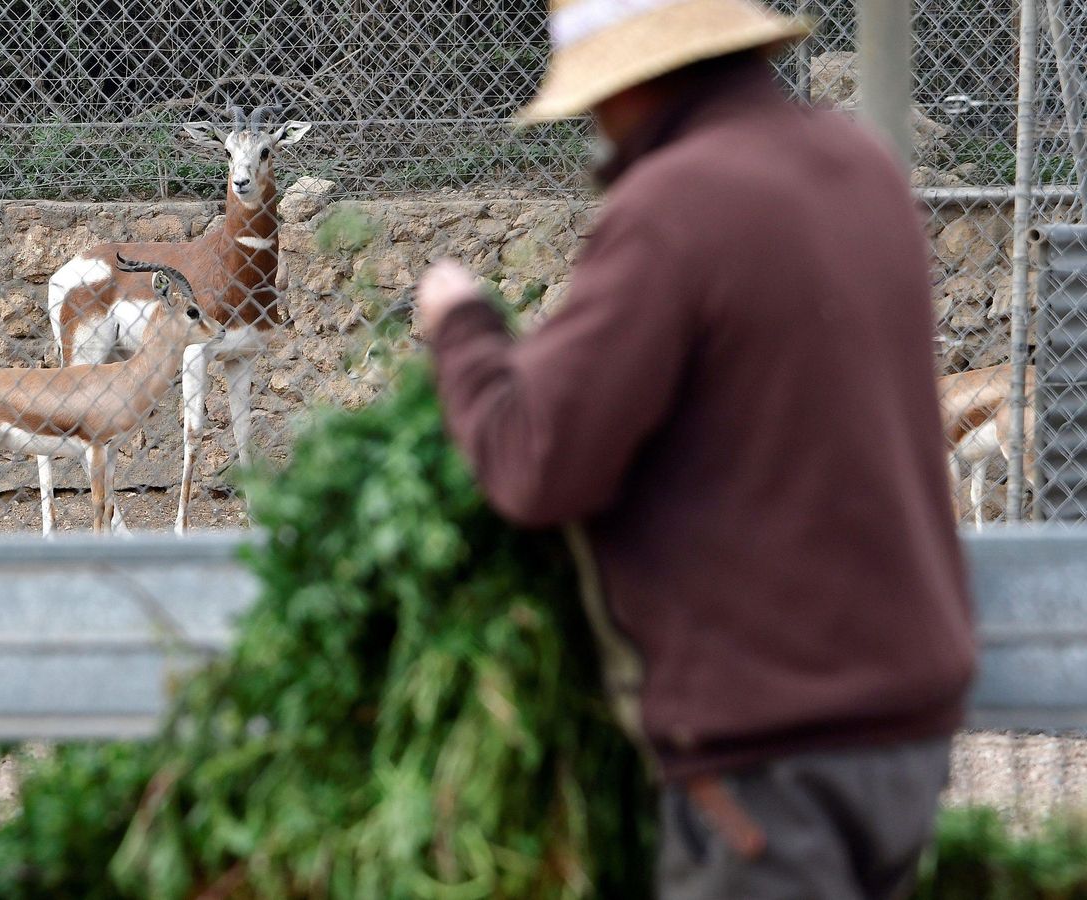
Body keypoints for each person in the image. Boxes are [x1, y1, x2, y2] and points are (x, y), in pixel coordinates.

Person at [414, 1, 977, 898]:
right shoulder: (860, 165)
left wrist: (465, 331)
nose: (597, 125)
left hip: (774, 747)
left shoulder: (675, 207)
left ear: (634, 81)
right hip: (903, 730)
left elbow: (536, 461)